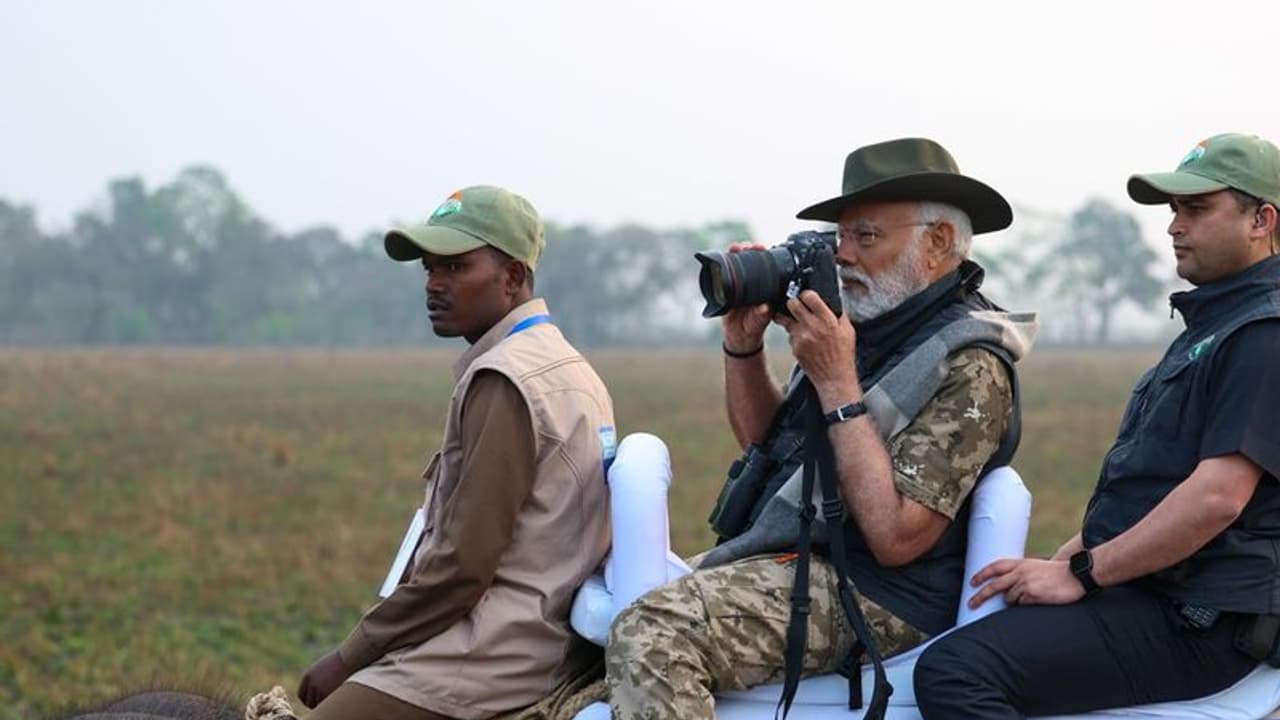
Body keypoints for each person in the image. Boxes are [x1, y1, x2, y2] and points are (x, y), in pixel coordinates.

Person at [605, 138, 1037, 719]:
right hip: (805, 559)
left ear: (936, 244)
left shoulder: (970, 364)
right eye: (841, 238)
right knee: (584, 662)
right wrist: (742, 346)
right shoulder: (868, 325)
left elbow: (896, 537)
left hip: (880, 594)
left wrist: (837, 383)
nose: (844, 256)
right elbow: (774, 449)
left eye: (866, 236)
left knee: (654, 632)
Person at [914, 133, 1280, 718]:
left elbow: (1216, 499)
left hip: (1198, 617)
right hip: (1158, 592)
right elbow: (1159, 485)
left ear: (1262, 219)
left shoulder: (1263, 334)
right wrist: (1068, 558)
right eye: (1173, 211)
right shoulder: (1215, 327)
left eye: (1196, 209)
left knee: (956, 673)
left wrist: (1083, 575)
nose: (1173, 227)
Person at [297, 186, 617, 720]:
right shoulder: (565, 364)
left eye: (454, 267)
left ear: (512, 277)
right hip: (536, 637)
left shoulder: (506, 379)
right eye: (429, 269)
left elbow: (462, 567)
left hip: (490, 654)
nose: (433, 286)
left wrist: (348, 656)